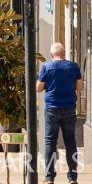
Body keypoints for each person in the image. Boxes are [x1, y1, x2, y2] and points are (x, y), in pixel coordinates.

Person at [40, 42, 84, 184]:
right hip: (69, 108)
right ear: (64, 53)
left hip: (52, 108)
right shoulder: (73, 66)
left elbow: (38, 88)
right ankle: (72, 176)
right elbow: (80, 86)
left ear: (52, 54)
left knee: (49, 142)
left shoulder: (46, 67)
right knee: (70, 141)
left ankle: (49, 177)